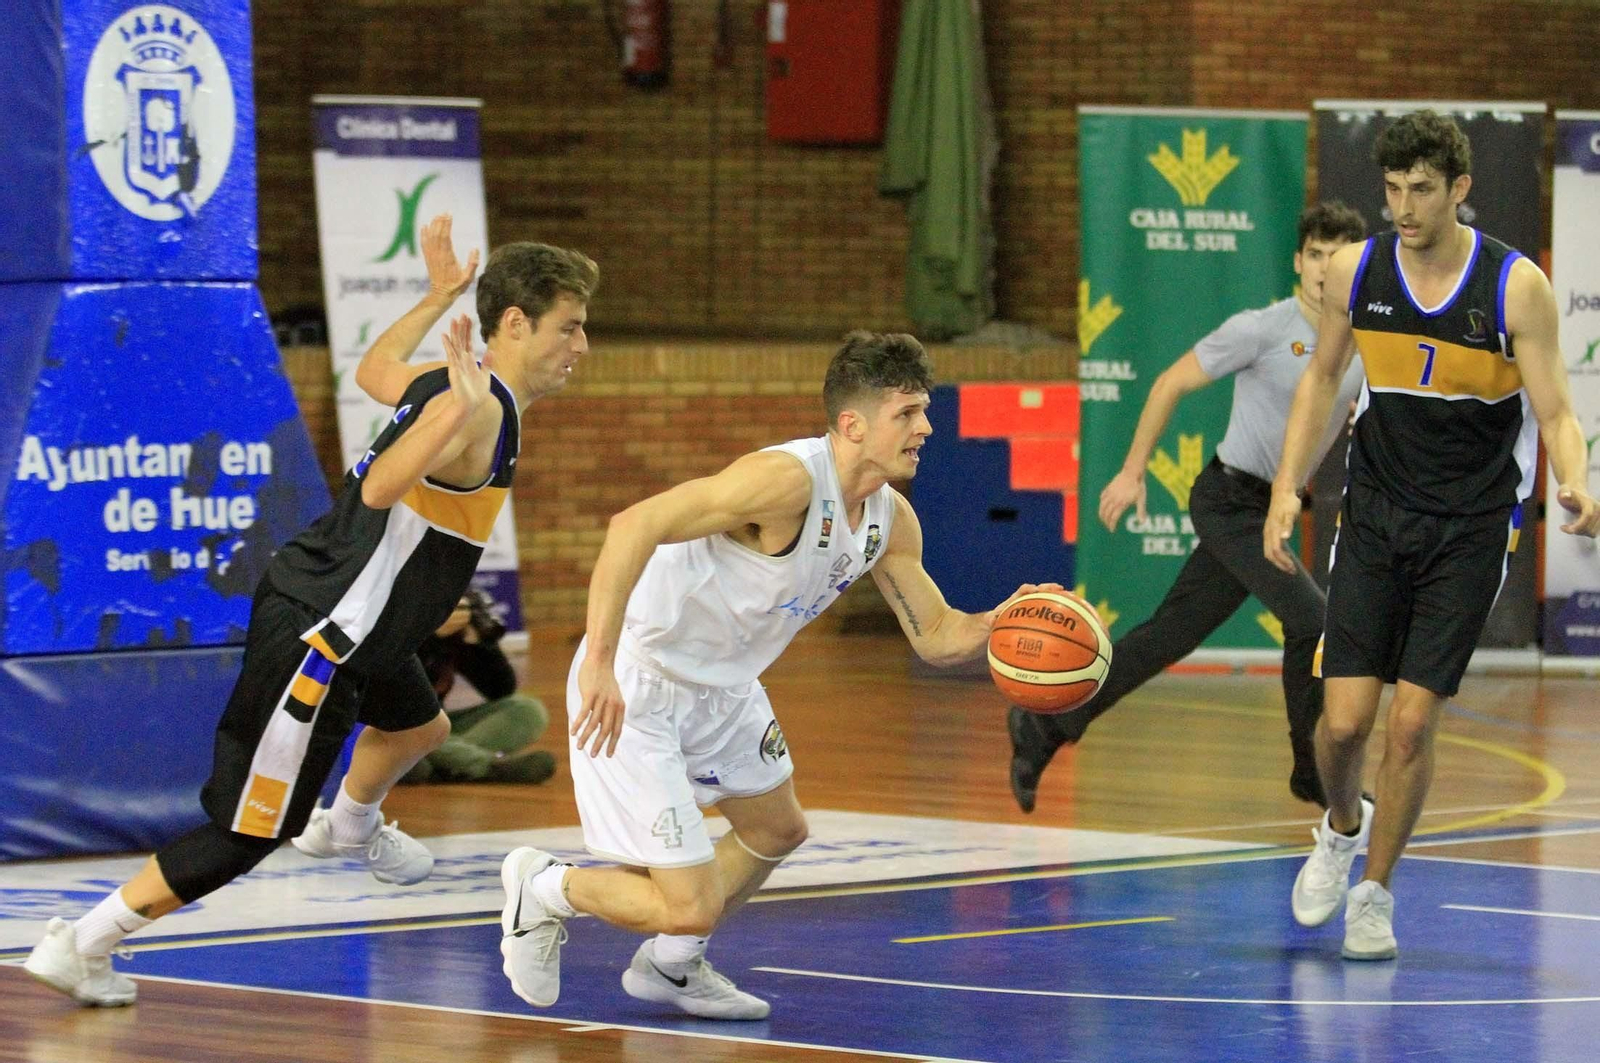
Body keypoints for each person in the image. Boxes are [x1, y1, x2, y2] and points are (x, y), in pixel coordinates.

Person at [24, 214, 597, 1006]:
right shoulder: (474, 407)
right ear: (514, 323)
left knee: (421, 726)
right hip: (326, 634)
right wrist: (447, 417)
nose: (582, 345)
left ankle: (349, 824)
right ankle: (83, 943)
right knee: (246, 832)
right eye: (570, 327)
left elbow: (373, 371)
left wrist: (437, 296)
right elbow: (378, 488)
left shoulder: (461, 387)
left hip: (357, 624)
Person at [494, 332, 1059, 1019]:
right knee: (689, 903)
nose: (926, 427)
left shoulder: (889, 518)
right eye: (907, 413)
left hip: (725, 687)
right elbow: (631, 525)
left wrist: (1003, 621)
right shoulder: (785, 482)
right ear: (853, 424)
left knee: (777, 829)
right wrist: (603, 662)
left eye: (924, 410)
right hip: (640, 680)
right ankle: (545, 886)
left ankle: (671, 969)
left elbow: (937, 635)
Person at [1264, 111, 1600, 961]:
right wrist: (1283, 491)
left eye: (1421, 189)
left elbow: (1557, 408)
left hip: (1472, 525)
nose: (1404, 206)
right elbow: (1324, 377)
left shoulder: (1512, 286)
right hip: (1374, 512)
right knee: (1342, 726)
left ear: (1460, 189)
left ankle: (1374, 892)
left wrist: (1576, 478)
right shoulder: (1357, 269)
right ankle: (1341, 826)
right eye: (1392, 189)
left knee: (1410, 725)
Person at [1007, 202, 1369, 814]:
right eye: (1314, 253)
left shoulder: (1364, 343)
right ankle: (1312, 773)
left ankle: (1043, 727)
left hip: (1275, 508)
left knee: (1165, 637)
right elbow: (1169, 384)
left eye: (1338, 256)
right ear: (1296, 261)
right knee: (1313, 621)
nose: (1324, 267)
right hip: (1229, 501)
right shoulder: (1263, 327)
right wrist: (1130, 472)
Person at [399, 589, 556, 786]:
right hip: (391, 727)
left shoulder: (452, 621)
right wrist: (431, 636)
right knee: (412, 736)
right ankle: (488, 766)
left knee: (528, 710)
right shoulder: (397, 607)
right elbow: (396, 693)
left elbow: (501, 689)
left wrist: (479, 642)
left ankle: (448, 764)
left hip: (435, 730)